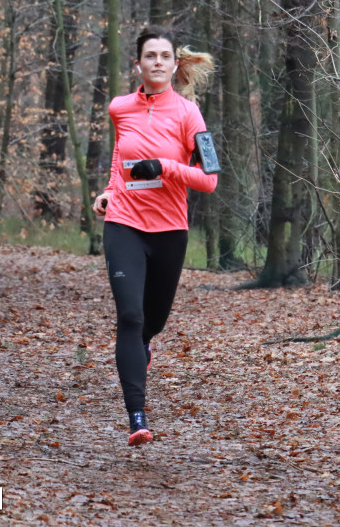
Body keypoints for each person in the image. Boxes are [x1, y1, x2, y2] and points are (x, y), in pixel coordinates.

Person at [92, 28, 218, 446]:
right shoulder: (119, 107)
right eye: (150, 55)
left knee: (152, 322)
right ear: (139, 64)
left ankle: (144, 347)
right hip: (124, 224)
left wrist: (165, 167)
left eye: (165, 55)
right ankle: (137, 417)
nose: (158, 62)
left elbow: (209, 180)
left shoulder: (189, 114)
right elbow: (119, 154)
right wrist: (111, 189)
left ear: (174, 64)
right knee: (129, 317)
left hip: (169, 229)